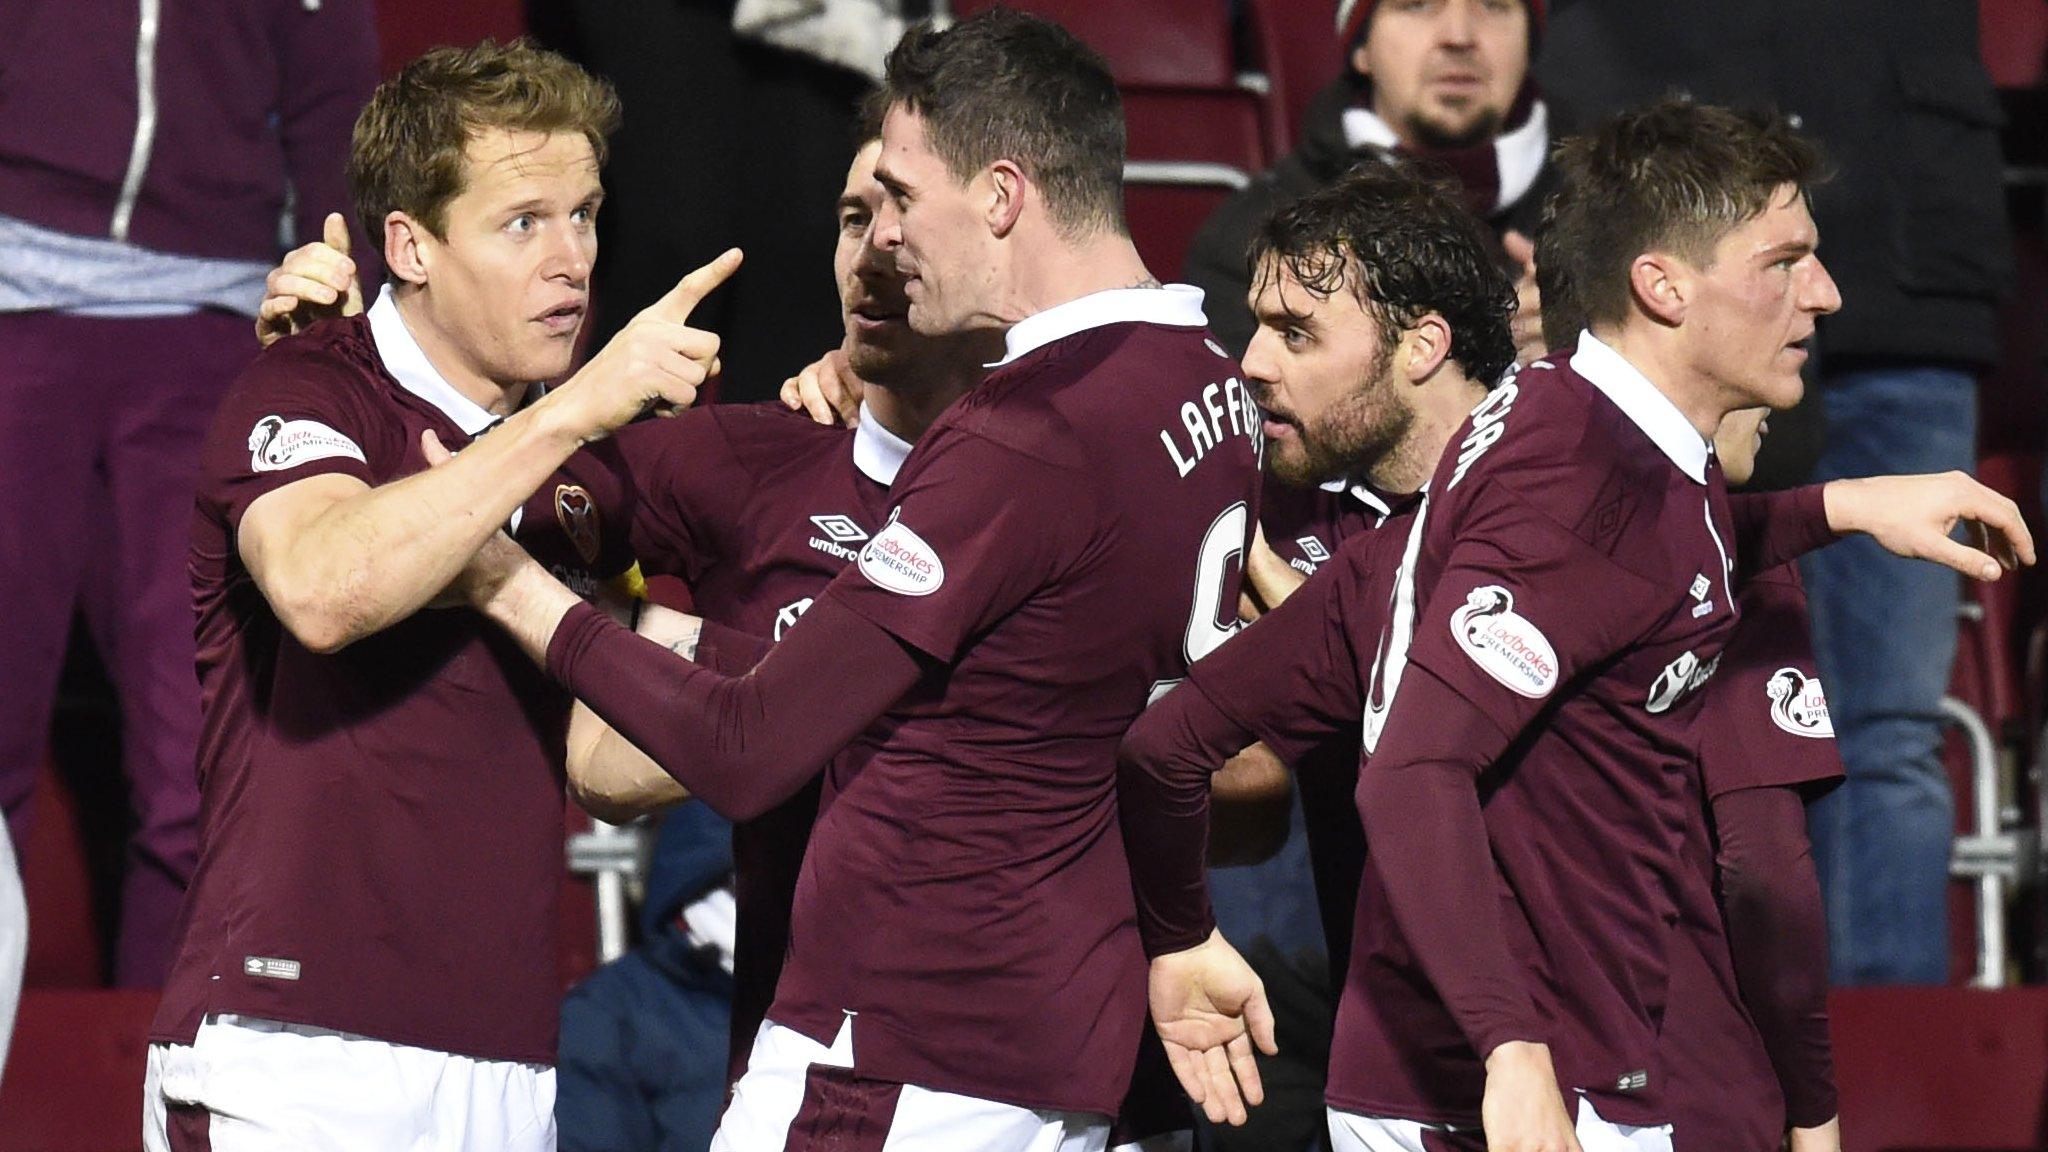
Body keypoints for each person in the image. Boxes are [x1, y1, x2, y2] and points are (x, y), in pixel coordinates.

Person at [1117, 99, 2029, 1152]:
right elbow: (1414, 773)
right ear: (1662, 284)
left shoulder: (1546, 429)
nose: (1821, 295)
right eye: (1783, 260)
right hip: (1520, 1098)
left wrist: (1845, 506)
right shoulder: (1580, 482)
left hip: (1475, 1078)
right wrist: (1510, 1052)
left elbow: (1166, 743)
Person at [439, 11, 1265, 1149]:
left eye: (901, 200)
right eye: (854, 214)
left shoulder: (1021, 437)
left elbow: (744, 749)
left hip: (908, 1048)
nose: (880, 245)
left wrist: (510, 589)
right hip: (1071, 1050)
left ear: (1001, 196)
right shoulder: (1208, 390)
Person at [141, 41, 735, 1150]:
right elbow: (323, 588)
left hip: (506, 1062)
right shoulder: (310, 383)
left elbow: (608, 770)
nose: (571, 260)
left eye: (586, 214)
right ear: (409, 243)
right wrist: (568, 416)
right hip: (294, 1049)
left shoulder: (587, 470)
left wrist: (706, 547)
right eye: (523, 223)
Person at [1534, 0, 2014, 984]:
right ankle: (1688, 1052)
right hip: (1672, 283)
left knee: (1886, 727)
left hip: (1904, 276)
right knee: (1642, 699)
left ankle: (1883, 1077)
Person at [0, 0, 377, 989]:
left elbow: (336, 106)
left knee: (195, 767)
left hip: (216, 328)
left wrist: (347, 351)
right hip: (12, 312)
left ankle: (168, 1100)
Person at [1186, 0, 1553, 364]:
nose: (1458, 36)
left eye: (1493, 5)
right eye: (1417, 5)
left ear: (1530, 43)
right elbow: (1257, 414)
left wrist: (1592, 348)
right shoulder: (1253, 239)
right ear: (1361, 46)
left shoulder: (1601, 212)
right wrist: (1500, 366)